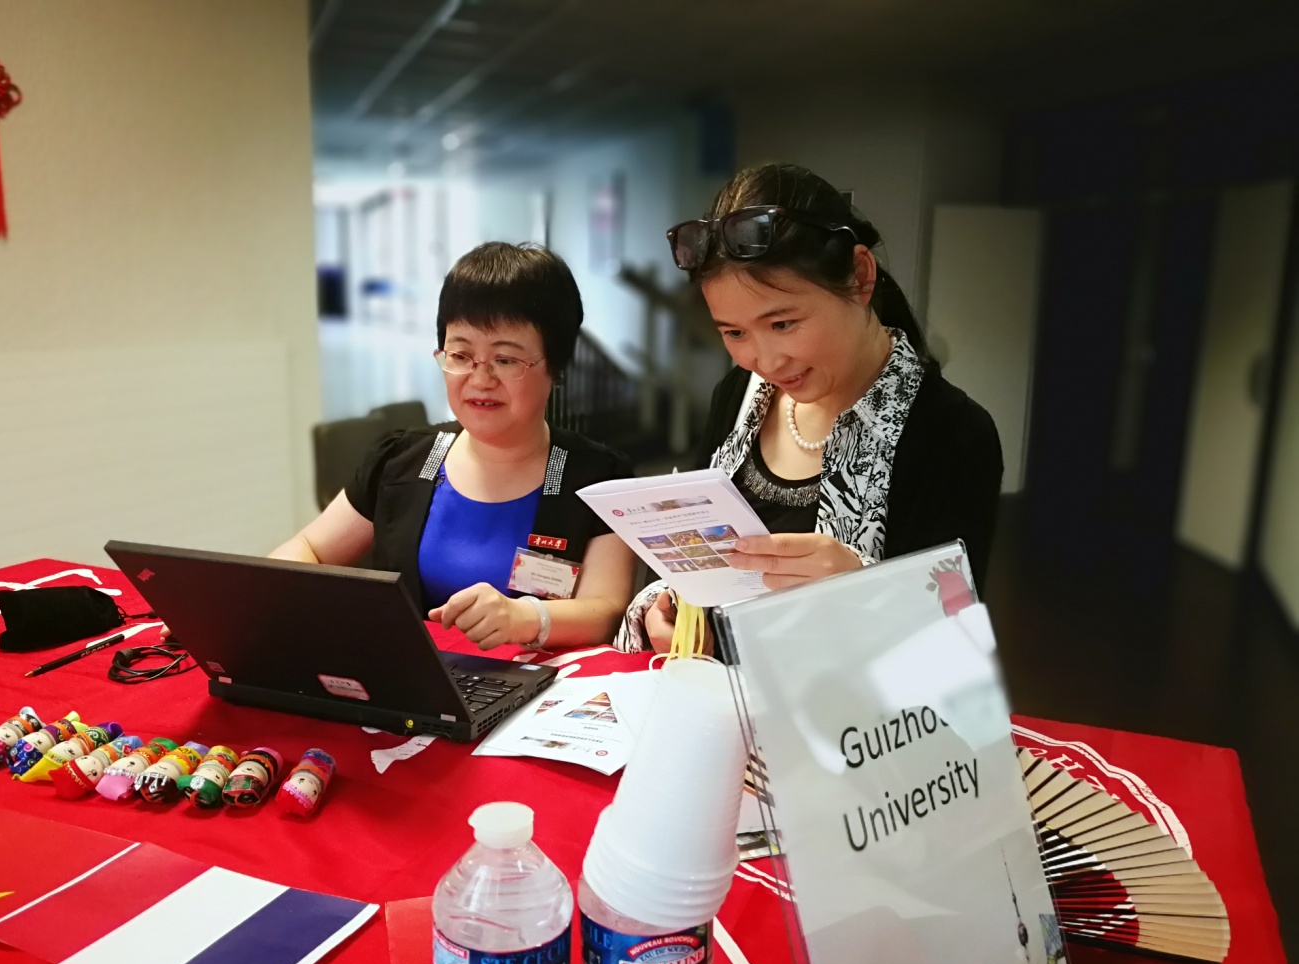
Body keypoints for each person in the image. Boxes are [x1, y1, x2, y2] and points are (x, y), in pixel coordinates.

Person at [618, 164, 1003, 654]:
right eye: (734, 333)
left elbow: (955, 642)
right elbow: (699, 553)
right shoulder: (738, 395)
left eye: (783, 323)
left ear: (860, 276)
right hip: (715, 691)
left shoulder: (951, 432)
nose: (765, 361)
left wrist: (861, 588)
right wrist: (670, 606)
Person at [275, 242, 636, 652]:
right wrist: (259, 592)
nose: (480, 380)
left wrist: (526, 618)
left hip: (544, 685)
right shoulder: (400, 460)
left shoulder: (599, 479)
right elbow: (310, 549)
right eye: (461, 355)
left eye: (505, 360)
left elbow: (605, 610)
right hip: (414, 680)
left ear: (555, 366)